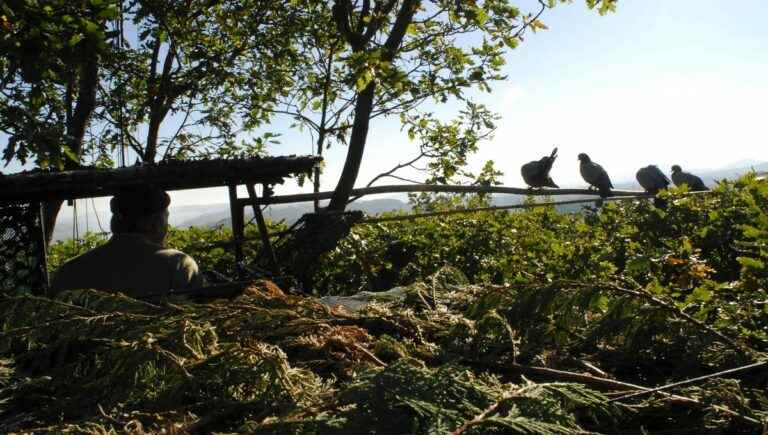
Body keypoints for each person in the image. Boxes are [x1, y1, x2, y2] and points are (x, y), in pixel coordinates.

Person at [51, 186, 203, 298]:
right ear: (153, 223)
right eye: (165, 219)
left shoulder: (68, 271)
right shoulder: (179, 264)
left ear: (114, 222)